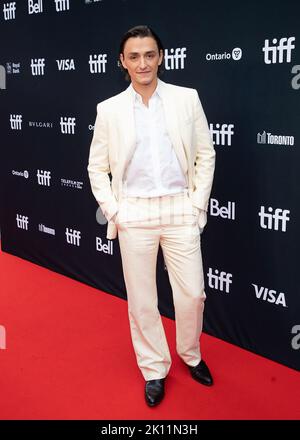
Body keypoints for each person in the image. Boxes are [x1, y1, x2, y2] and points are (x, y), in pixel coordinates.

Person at [88, 25, 216, 407]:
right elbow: (97, 168)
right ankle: (154, 368)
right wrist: (115, 211)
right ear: (122, 63)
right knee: (142, 299)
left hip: (180, 207)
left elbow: (205, 154)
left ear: (160, 57)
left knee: (192, 294)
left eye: (149, 54)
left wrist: (195, 206)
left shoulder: (186, 99)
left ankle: (190, 354)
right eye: (134, 56)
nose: (142, 63)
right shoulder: (109, 109)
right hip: (135, 213)